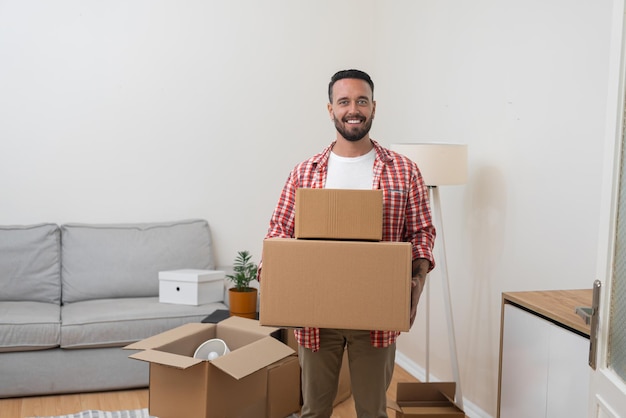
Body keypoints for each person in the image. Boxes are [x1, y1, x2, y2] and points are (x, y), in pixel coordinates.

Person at [261, 69, 436, 418]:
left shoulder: (404, 170)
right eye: (344, 102)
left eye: (361, 101)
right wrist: (279, 283)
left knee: (372, 411)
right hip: (315, 315)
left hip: (376, 315)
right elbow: (278, 231)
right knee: (314, 411)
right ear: (330, 110)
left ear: (374, 107)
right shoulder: (305, 173)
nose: (353, 109)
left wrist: (416, 285)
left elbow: (422, 234)